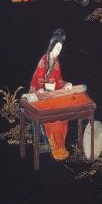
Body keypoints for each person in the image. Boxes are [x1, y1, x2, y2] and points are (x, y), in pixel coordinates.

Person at [29, 28, 72, 161]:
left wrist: (66, 84)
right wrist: (40, 90)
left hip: (51, 97)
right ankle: (56, 149)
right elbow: (35, 82)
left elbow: (59, 81)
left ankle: (60, 148)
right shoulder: (44, 60)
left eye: (60, 49)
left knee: (63, 117)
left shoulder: (56, 62)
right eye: (57, 48)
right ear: (51, 46)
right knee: (54, 119)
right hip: (39, 97)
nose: (58, 52)